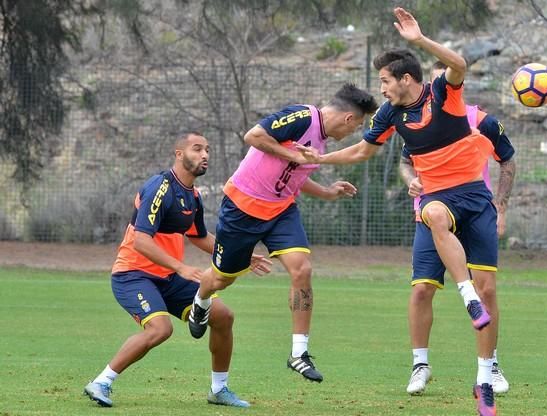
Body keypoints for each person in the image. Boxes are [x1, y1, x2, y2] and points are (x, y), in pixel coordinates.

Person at [298, 8, 502, 415]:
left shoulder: (443, 91)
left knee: (490, 290)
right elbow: (362, 150)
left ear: (406, 79)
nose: (382, 90)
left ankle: (484, 379)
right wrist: (318, 159)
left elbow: (459, 63)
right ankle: (464, 302)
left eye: (385, 82)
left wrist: (420, 41)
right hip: (436, 196)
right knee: (436, 218)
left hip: (476, 197)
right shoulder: (390, 114)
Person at [187, 83, 379, 383]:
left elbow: (294, 178)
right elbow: (254, 136)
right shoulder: (302, 117)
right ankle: (200, 301)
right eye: (358, 127)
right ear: (348, 119)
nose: (354, 133)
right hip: (243, 208)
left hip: (280, 211)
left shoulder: (322, 143)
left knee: (302, 269)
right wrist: (291, 155)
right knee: (222, 279)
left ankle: (298, 353)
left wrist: (327, 192)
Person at [83, 132, 272, 409]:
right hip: (133, 274)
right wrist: (180, 267)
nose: (205, 154)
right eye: (197, 149)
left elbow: (198, 236)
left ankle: (219, 390)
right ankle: (101, 382)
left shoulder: (192, 196)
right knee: (160, 329)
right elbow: (141, 240)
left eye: (208, 150)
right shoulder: (160, 187)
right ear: (179, 154)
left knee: (223, 316)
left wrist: (241, 254)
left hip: (168, 277)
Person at [399, 85, 516, 396]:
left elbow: (507, 160)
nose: (435, 92)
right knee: (422, 289)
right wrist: (411, 181)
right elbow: (405, 161)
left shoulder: (482, 121)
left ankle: (489, 365)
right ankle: (420, 365)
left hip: (476, 210)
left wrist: (500, 206)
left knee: (487, 290)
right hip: (433, 212)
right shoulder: (417, 121)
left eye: (444, 83)